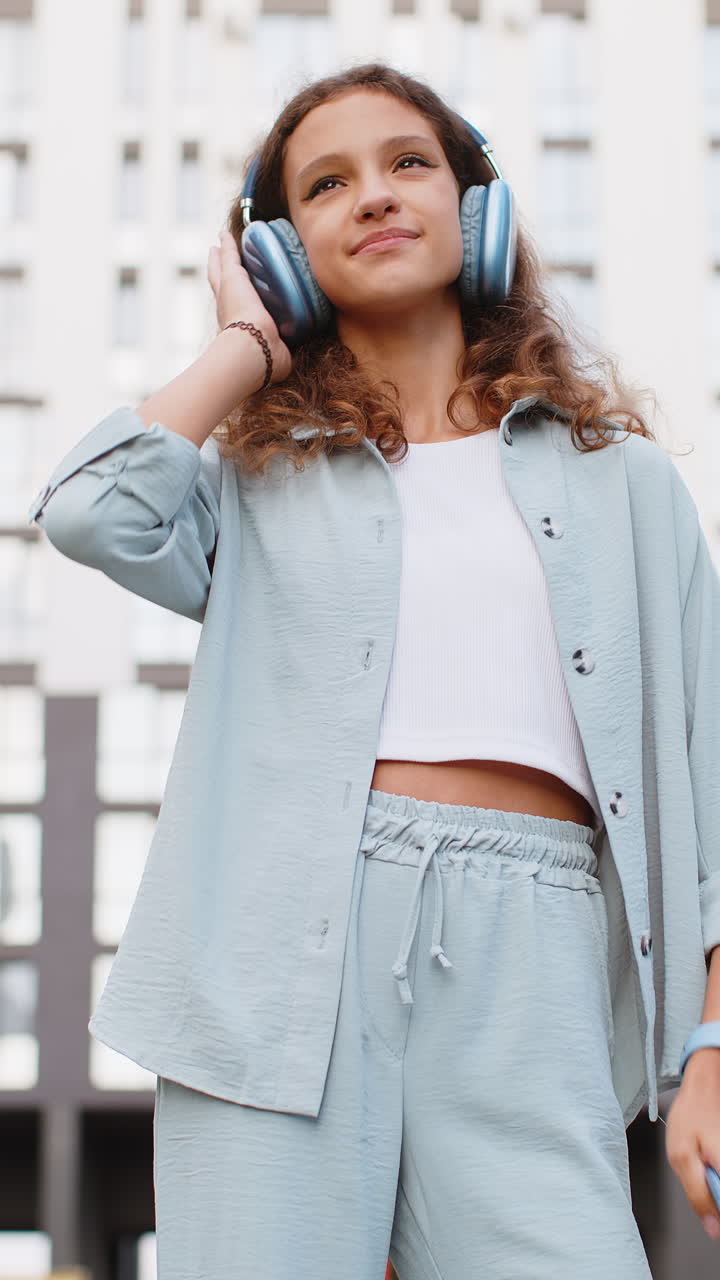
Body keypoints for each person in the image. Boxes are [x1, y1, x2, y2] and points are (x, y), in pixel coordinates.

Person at [28, 61, 720, 1280]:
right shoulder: (258, 478)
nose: (375, 196)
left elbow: (712, 779)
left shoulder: (626, 483)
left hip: (537, 949)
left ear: (477, 207)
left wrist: (711, 1037)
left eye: (409, 163)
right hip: (281, 942)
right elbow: (90, 513)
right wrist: (248, 342)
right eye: (327, 184)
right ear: (286, 253)